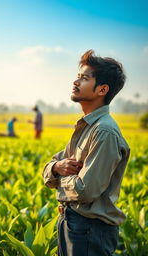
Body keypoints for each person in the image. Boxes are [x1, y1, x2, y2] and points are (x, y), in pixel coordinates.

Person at [43, 50, 130, 256]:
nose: (75, 82)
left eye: (84, 78)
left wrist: (58, 180)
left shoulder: (104, 132)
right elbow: (55, 163)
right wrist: (56, 168)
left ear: (102, 89)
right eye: (78, 76)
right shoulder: (87, 126)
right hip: (72, 223)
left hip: (90, 229)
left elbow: (85, 190)